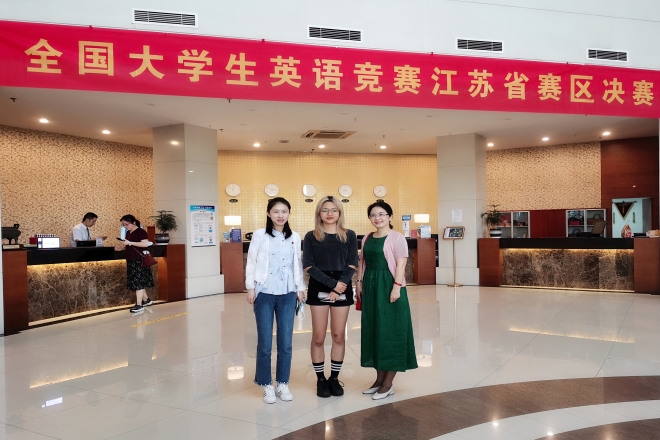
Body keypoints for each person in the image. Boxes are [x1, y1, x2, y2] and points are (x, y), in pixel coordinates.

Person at [245, 197, 306, 404]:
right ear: (268, 213)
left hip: (287, 292)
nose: (280, 215)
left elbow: (297, 264)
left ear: (289, 213)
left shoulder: (295, 236)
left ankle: (282, 383)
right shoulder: (260, 235)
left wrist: (300, 288)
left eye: (284, 211)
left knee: (286, 341)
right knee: (264, 341)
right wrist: (250, 287)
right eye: (276, 211)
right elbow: (252, 262)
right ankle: (266, 384)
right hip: (264, 291)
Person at [356, 201, 417, 400]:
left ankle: (388, 384)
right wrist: (359, 282)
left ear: (390, 216)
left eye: (382, 214)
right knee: (375, 331)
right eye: (373, 215)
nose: (378, 218)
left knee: (391, 332)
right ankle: (379, 380)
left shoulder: (397, 237)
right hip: (371, 287)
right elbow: (362, 263)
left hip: (389, 286)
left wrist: (396, 287)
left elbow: (401, 264)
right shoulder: (367, 238)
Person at [303, 196, 358, 398]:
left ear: (339, 213)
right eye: (325, 210)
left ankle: (334, 379)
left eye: (334, 210)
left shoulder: (349, 235)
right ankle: (320, 380)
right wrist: (332, 285)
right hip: (319, 285)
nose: (329, 214)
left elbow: (352, 263)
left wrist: (339, 287)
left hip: (342, 285)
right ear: (319, 213)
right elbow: (308, 265)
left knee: (338, 335)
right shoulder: (311, 236)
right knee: (318, 337)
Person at [114, 215, 154, 314]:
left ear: (134, 222)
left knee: (138, 283)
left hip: (139, 260)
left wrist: (130, 243)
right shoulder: (128, 232)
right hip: (131, 260)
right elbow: (129, 246)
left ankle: (139, 305)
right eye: (123, 225)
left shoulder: (141, 231)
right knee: (137, 282)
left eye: (126, 224)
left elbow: (145, 244)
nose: (125, 226)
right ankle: (146, 300)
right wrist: (121, 248)